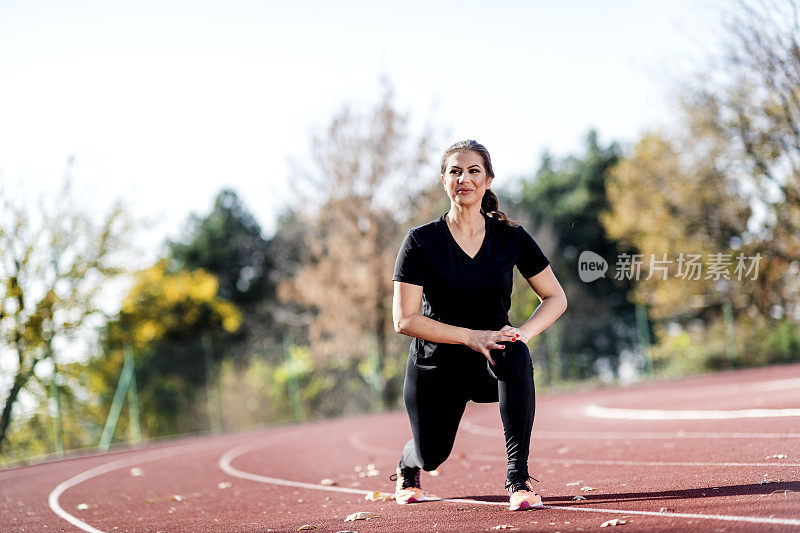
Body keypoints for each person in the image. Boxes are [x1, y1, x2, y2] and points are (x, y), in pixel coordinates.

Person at [389, 139, 567, 511]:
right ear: (443, 180)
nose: (464, 179)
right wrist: (471, 337)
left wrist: (521, 334)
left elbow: (556, 298)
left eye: (473, 171)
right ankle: (408, 464)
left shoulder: (510, 237)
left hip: (490, 359)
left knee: (516, 352)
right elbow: (404, 320)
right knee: (431, 455)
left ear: (488, 180)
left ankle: (518, 480)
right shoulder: (421, 241)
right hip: (436, 366)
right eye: (455, 171)